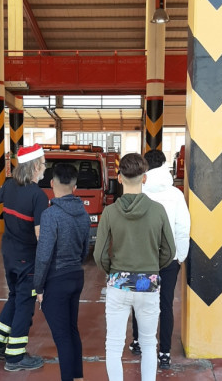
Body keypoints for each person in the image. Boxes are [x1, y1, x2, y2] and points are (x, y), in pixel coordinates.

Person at [94, 153, 176, 381]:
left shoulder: (110, 212)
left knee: (114, 344)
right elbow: (169, 251)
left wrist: (114, 272)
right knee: (150, 343)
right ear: (145, 178)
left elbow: (99, 254)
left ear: (119, 178)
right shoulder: (158, 210)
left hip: (118, 285)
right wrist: (150, 268)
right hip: (148, 285)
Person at [0, 143, 49, 372]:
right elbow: (40, 235)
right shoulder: (38, 196)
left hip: (9, 253)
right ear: (34, 167)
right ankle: (15, 357)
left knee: (14, 297)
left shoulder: (9, 186)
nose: (44, 168)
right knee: (25, 304)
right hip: (27, 259)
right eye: (42, 164)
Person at [128, 149, 190, 369]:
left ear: (145, 166)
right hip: (169, 260)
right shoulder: (176, 194)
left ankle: (138, 342)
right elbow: (183, 228)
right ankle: (164, 353)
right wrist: (179, 256)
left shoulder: (139, 191)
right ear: (165, 164)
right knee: (165, 305)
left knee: (140, 301)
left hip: (142, 259)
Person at [34, 163, 90, 381]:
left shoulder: (50, 215)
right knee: (71, 330)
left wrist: (39, 286)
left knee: (62, 336)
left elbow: (44, 255)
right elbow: (85, 249)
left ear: (51, 184)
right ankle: (78, 377)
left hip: (56, 280)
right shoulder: (83, 214)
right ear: (75, 187)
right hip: (76, 276)